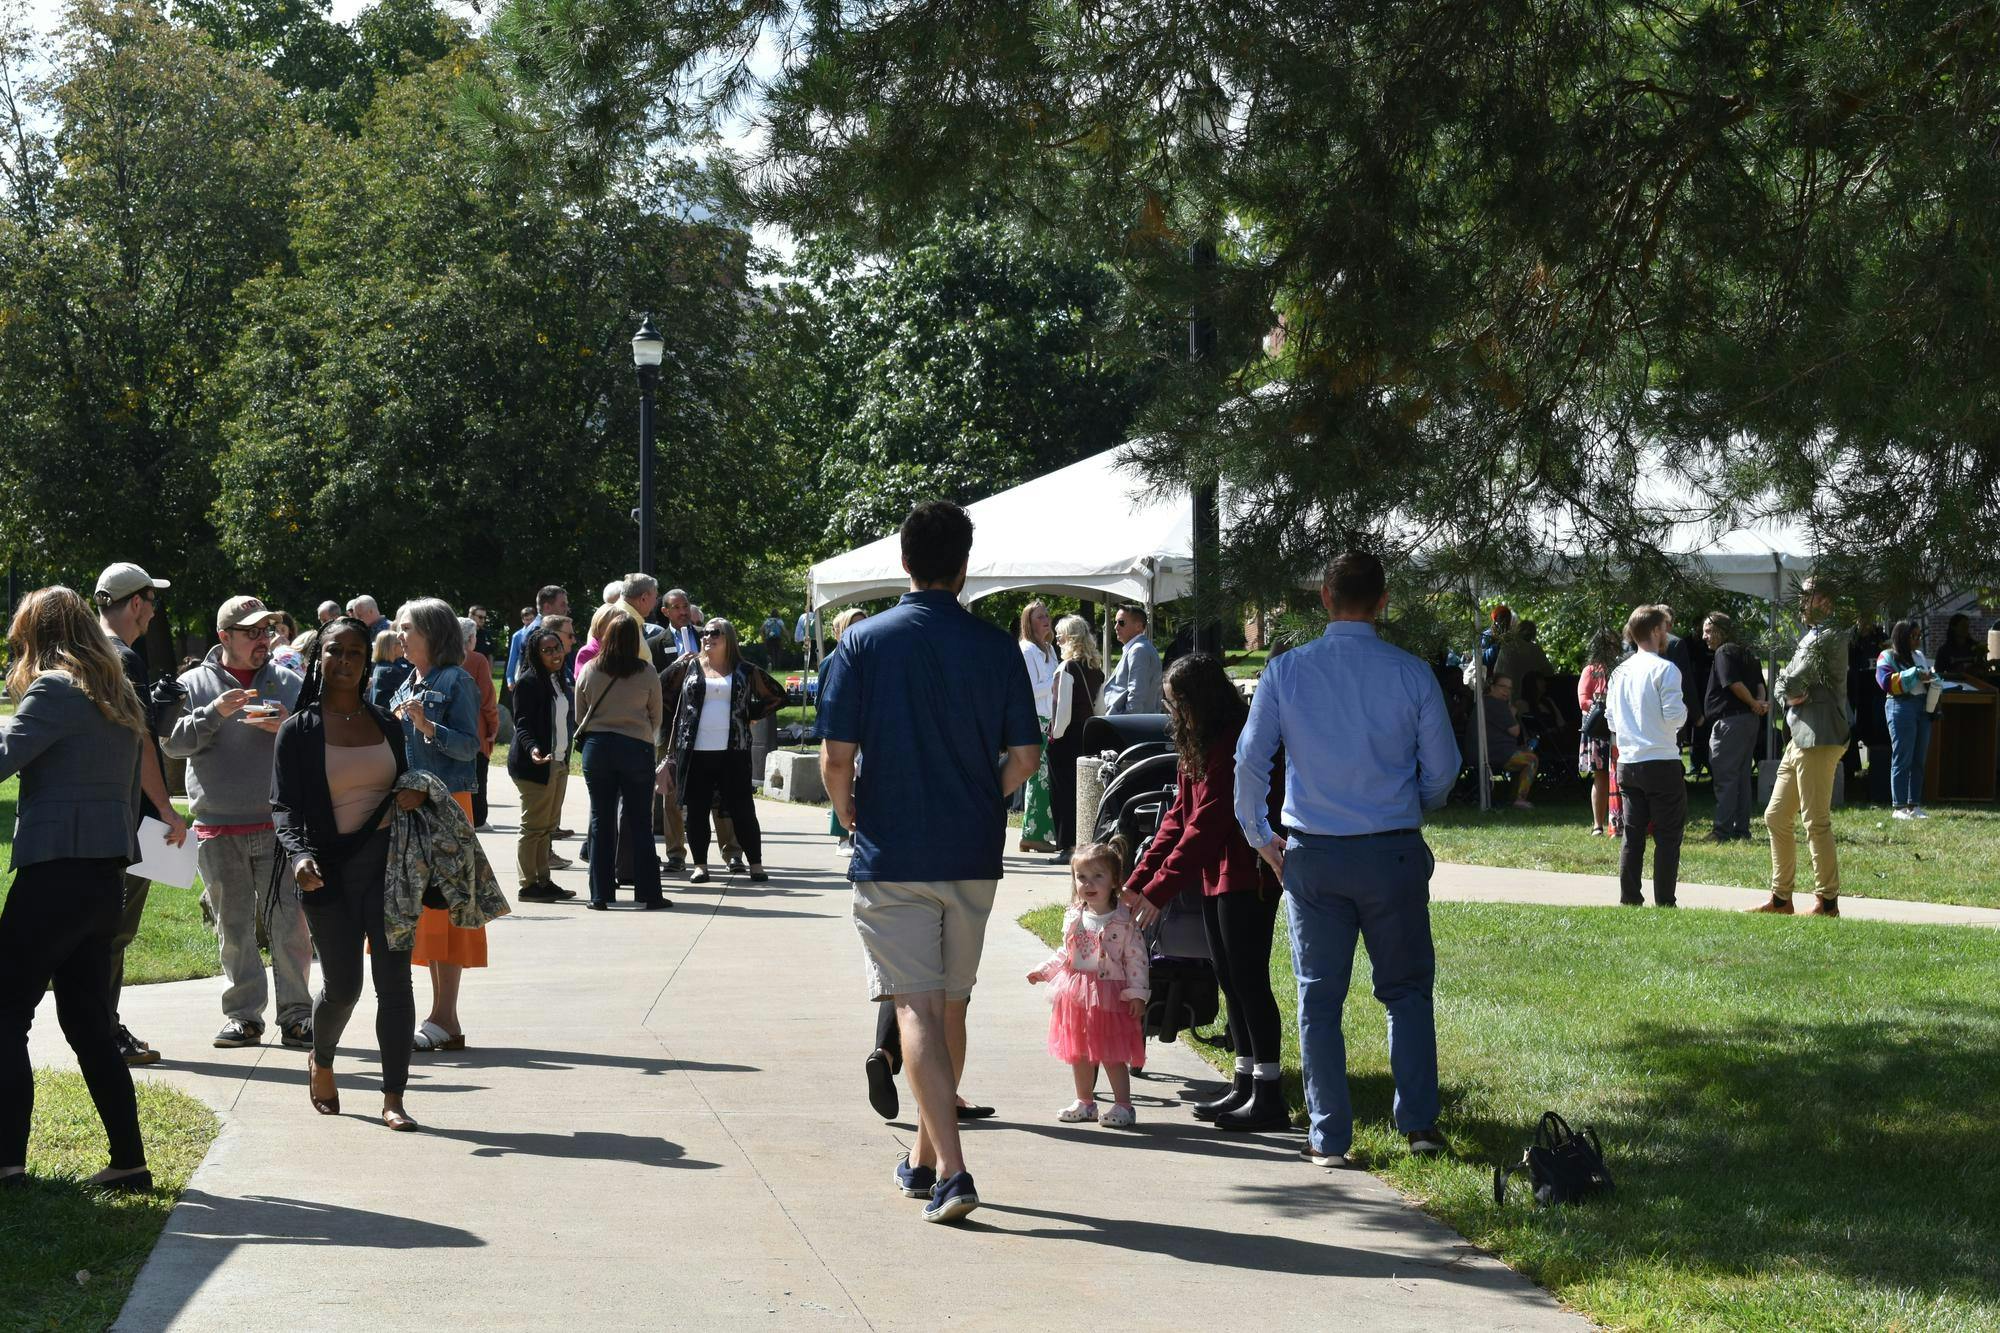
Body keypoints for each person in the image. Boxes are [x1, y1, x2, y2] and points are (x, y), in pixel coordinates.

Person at [818, 500, 1042, 1224]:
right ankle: (922, 1156)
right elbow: (1027, 756)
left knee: (912, 1005)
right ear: (964, 565)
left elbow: (835, 756)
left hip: (895, 849)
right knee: (951, 1004)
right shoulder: (995, 646)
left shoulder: (863, 645)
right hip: (971, 850)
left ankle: (951, 1170)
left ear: (904, 562)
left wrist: (849, 809)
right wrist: (986, 793)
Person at [1234, 550, 1458, 1170]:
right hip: (1391, 849)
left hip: (1314, 854)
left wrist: (1259, 835)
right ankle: (1417, 1125)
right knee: (1407, 991)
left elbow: (1251, 761)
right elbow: (1443, 771)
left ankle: (1329, 1136)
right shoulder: (1412, 673)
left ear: (1325, 598)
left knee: (1318, 996)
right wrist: (1411, 801)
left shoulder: (1286, 671)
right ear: (1384, 601)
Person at [0, 587, 156, 1193]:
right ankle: (129, 1163)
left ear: (40, 635)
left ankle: (7, 1164)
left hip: (56, 874)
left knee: (5, 1011)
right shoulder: (115, 693)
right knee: (89, 1022)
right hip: (102, 882)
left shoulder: (55, 688)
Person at [272, 616, 426, 1132]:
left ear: (366, 662)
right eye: (335, 652)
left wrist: (415, 792)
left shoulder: (387, 723)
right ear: (320, 658)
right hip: (326, 873)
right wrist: (298, 856)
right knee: (343, 986)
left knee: (395, 985)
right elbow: (284, 806)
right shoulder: (299, 730)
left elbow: (406, 781)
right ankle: (321, 1057)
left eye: (355, 653)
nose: (344, 662)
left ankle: (394, 1096)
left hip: (388, 872)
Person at [1121, 652, 1286, 1130]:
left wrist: (1160, 890)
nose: (1174, 715)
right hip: (1218, 874)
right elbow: (1177, 817)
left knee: (1249, 980)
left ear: (1201, 701)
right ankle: (1244, 1082)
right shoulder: (1199, 743)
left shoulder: (1234, 743)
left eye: (1177, 704)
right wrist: (1138, 882)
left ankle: (1269, 1092)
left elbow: (1209, 823)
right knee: (1230, 979)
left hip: (1247, 874)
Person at [163, 595, 313, 1050]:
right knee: (233, 927)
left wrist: (289, 724)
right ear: (224, 636)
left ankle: (297, 1016)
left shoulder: (288, 680)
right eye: (251, 632)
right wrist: (216, 713)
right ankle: (244, 1017)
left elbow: (317, 740)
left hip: (277, 825)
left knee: (289, 924)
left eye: (266, 631)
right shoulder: (192, 684)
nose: (262, 640)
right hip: (216, 825)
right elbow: (171, 744)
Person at [92, 562, 187, 1067]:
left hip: (95, 813)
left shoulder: (84, 651)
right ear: (135, 603)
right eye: (151, 601)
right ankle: (104, 1032)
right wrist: (168, 809)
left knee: (101, 931)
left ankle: (101, 1025)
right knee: (115, 931)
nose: (153, 611)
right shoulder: (126, 658)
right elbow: (141, 742)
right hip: (131, 819)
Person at [389, 598, 488, 1045]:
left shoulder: (457, 680)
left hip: (446, 805)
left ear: (433, 632)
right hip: (412, 805)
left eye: (407, 627)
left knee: (446, 911)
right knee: (424, 916)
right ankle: (440, 1019)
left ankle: (445, 1018)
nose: (400, 635)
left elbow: (471, 747)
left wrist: (429, 727)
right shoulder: (408, 679)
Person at [1027, 843, 1149, 1128]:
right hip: (1076, 992)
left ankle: (1123, 1105)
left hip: (1110, 994)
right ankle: (1085, 1102)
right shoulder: (1075, 916)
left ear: (1115, 881)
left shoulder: (1123, 920)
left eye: (1097, 876)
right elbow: (1065, 953)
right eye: (1081, 877)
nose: (1088, 883)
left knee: (1111, 1052)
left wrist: (1137, 994)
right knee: (1078, 1050)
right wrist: (1044, 970)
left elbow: (1136, 960)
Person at [1752, 576, 1850, 918]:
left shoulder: (1830, 634)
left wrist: (1787, 687)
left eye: (1806, 597)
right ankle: (1782, 900)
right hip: (1799, 736)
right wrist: (1786, 690)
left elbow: (1791, 679)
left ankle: (1827, 902)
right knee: (1776, 815)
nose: (1801, 604)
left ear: (1824, 599)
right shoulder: (1811, 635)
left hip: (1820, 735)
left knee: (1815, 821)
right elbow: (1782, 683)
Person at [664, 619, 785, 885]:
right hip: (695, 751)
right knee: (696, 812)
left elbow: (777, 695)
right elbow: (660, 691)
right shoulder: (688, 667)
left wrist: (749, 715)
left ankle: (756, 864)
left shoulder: (743, 670)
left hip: (734, 751)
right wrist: (681, 716)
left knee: (742, 809)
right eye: (704, 633)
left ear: (728, 638)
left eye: (714, 633)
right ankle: (700, 866)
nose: (707, 638)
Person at [574, 610, 668, 910]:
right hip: (636, 747)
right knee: (640, 821)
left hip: (598, 747)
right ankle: (649, 893)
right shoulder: (647, 672)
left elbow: (580, 714)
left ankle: (600, 894)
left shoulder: (590, 669)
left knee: (601, 821)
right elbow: (657, 716)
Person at [1606, 605, 1688, 908]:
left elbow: (1611, 719)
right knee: (1668, 836)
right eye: (1664, 628)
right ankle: (1665, 901)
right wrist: (1683, 716)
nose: (1667, 633)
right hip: (1661, 760)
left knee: (1633, 834)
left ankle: (1630, 898)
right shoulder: (1666, 669)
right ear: (1655, 631)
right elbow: (1674, 716)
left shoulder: (1619, 671)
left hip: (1628, 761)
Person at [510, 629, 576, 903]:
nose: (554, 654)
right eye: (547, 650)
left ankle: (543, 880)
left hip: (558, 762)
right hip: (535, 764)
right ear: (536, 655)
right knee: (533, 827)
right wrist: (533, 748)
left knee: (546, 827)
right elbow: (522, 723)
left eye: (557, 647)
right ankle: (528, 885)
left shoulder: (558, 679)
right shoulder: (529, 682)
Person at [1045, 615, 1106, 862]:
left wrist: (1054, 736)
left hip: (1066, 738)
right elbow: (1100, 710)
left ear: (1070, 637)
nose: (1056, 638)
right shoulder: (1096, 671)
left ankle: (1067, 846)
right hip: (1087, 735)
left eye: (1060, 634)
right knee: (1080, 793)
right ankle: (1080, 843)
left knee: (1063, 793)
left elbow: (1062, 713)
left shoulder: (1067, 667)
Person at [1703, 613, 1768, 842]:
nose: (1704, 636)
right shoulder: (1746, 651)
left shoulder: (1724, 652)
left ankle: (1722, 831)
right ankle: (1742, 830)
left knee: (1726, 777)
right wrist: (1760, 704)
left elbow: (1733, 683)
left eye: (1708, 631)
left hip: (1730, 722)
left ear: (1721, 630)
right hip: (1749, 720)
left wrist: (1753, 703)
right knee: (1741, 778)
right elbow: (1760, 683)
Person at [1876, 619, 1937, 820]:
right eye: (1914, 636)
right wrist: (1916, 674)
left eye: (1920, 636)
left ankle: (1914, 805)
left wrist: (1933, 679)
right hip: (1900, 706)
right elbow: (1886, 682)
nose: (1918, 640)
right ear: (1902, 636)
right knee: (1903, 756)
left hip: (1922, 706)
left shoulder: (1919, 656)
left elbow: (1925, 678)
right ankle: (1899, 807)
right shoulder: (1887, 656)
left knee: (1919, 758)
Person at [1017, 601, 1060, 854]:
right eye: (1039, 616)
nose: (1046, 619)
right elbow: (1029, 691)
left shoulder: (1049, 649)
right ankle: (1031, 834)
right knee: (1039, 779)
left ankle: (1041, 832)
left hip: (1050, 719)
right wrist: (1055, 683)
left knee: (1046, 781)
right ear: (1028, 622)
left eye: (1047, 614)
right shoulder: (1027, 650)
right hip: (1036, 720)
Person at [824, 608, 868, 855]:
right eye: (852, 626)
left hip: (863, 727)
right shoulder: (832, 661)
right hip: (840, 727)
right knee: (840, 775)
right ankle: (842, 835)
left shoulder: (869, 658)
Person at [460, 617, 501, 830]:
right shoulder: (477, 660)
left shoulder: (440, 658)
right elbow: (487, 698)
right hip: (475, 728)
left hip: (450, 728)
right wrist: (494, 727)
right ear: (469, 638)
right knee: (478, 776)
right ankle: (477, 818)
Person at [1577, 632, 1618, 836]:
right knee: (1600, 775)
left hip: (1619, 727)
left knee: (1622, 775)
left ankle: (1619, 822)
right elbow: (1583, 700)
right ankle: (1598, 825)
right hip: (1599, 729)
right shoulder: (1590, 671)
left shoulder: (1622, 669)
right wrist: (1604, 704)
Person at [1477, 673, 1537, 809]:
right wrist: (1513, 713)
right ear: (1492, 687)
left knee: (1524, 752)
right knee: (1531, 759)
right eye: (1502, 686)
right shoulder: (1497, 704)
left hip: (1486, 750)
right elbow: (1515, 731)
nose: (1506, 691)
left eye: (1509, 688)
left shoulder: (1485, 702)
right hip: (1494, 753)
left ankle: (1512, 797)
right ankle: (1520, 799)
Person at [1103, 605, 1163, 715]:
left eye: (1121, 623)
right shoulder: (1137, 648)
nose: (1116, 627)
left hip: (1130, 723)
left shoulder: (1139, 650)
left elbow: (1137, 693)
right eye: (1115, 622)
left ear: (1139, 627)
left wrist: (1128, 723)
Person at [506, 585, 569, 689]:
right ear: (547, 607)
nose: (567, 608)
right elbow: (535, 672)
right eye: (563, 604)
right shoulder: (536, 632)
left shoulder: (543, 628)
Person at [1935, 612, 1989, 679]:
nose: (1966, 629)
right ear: (1953, 627)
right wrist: (1956, 673)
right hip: (1955, 684)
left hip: (1975, 683)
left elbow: (1984, 668)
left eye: (1967, 626)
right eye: (1963, 626)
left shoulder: (1977, 647)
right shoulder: (1944, 650)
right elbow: (1938, 674)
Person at [367, 630, 412, 711]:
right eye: (400, 643)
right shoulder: (389, 671)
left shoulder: (380, 667)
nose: (403, 645)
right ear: (392, 646)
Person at [1479, 604, 1513, 672]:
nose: (1505, 621)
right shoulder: (1487, 635)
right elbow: (1482, 659)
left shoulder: (1512, 636)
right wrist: (1498, 645)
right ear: (1495, 620)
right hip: (1490, 674)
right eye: (1502, 617)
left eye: (1508, 618)